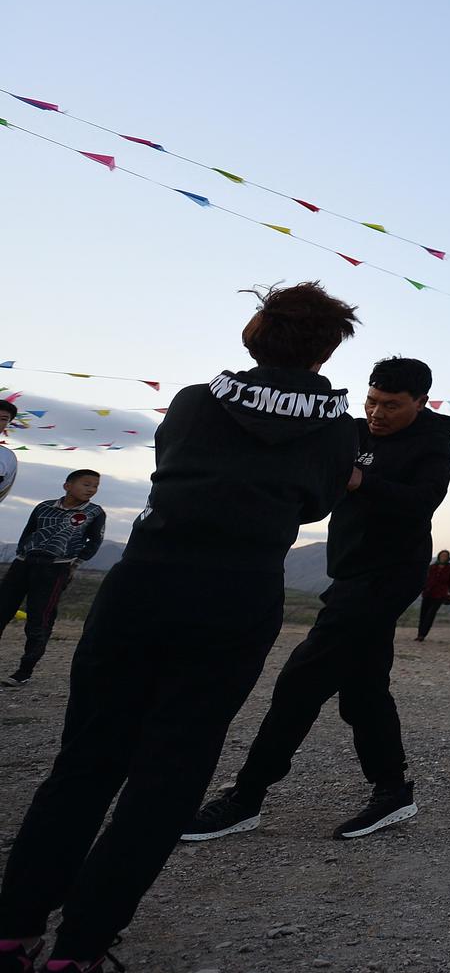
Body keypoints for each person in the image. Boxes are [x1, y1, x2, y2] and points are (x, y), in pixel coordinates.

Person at [0, 282, 360, 973]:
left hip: (145, 582)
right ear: (325, 351)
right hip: (238, 596)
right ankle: (80, 950)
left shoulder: (197, 400)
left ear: (256, 331)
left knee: (86, 760)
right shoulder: (338, 428)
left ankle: (14, 930)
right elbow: (317, 504)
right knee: (171, 774)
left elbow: (170, 462)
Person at [183, 357, 450, 844]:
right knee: (363, 688)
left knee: (301, 679)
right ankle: (393, 791)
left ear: (421, 402)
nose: (377, 413)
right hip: (350, 570)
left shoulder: (433, 444)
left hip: (389, 575)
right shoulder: (351, 431)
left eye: (391, 406)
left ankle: (246, 797)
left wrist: (360, 480)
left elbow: (422, 501)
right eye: (372, 401)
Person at [0, 470, 106, 687]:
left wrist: (75, 563)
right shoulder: (44, 507)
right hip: (23, 563)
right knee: (2, 608)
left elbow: (94, 541)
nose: (91, 489)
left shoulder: (94, 512)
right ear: (67, 486)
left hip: (55, 568)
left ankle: (24, 671)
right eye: (86, 484)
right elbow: (28, 532)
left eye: (95, 486)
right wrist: (21, 553)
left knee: (39, 618)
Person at [416, 550, 450, 640]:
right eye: (442, 555)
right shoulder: (432, 567)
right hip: (428, 593)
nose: (443, 557)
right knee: (423, 614)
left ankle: (423, 634)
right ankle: (419, 633)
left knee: (430, 614)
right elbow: (425, 578)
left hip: (440, 594)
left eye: (445, 556)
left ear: (448, 557)